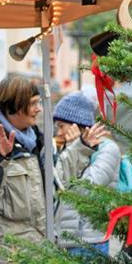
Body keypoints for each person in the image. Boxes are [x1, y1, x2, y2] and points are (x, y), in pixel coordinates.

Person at [0, 76, 107, 260]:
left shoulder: (36, 139)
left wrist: (81, 147)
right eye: (33, 104)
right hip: (6, 255)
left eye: (39, 102)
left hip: (38, 249)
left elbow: (56, 181)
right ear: (16, 105)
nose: (39, 109)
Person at [53, 92, 121, 255]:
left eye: (62, 126)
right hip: (65, 238)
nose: (59, 132)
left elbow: (84, 190)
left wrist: (77, 149)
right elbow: (59, 186)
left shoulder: (108, 149)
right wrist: (75, 149)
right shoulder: (69, 149)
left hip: (90, 240)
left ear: (78, 125)